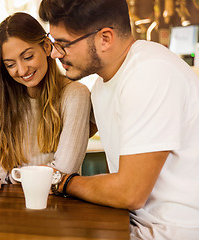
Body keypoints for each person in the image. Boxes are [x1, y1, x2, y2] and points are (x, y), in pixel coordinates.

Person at [39, 0, 199, 239]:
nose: (54, 54)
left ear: (105, 38)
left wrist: (63, 182)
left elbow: (130, 192)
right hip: (133, 226)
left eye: (63, 45)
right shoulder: (103, 85)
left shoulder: (150, 73)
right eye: (52, 43)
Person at [0, 12, 91, 194]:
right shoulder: (7, 99)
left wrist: (12, 176)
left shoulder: (75, 94)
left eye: (28, 57)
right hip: (14, 207)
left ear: (47, 47)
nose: (22, 70)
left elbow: (61, 174)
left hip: (58, 208)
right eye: (10, 64)